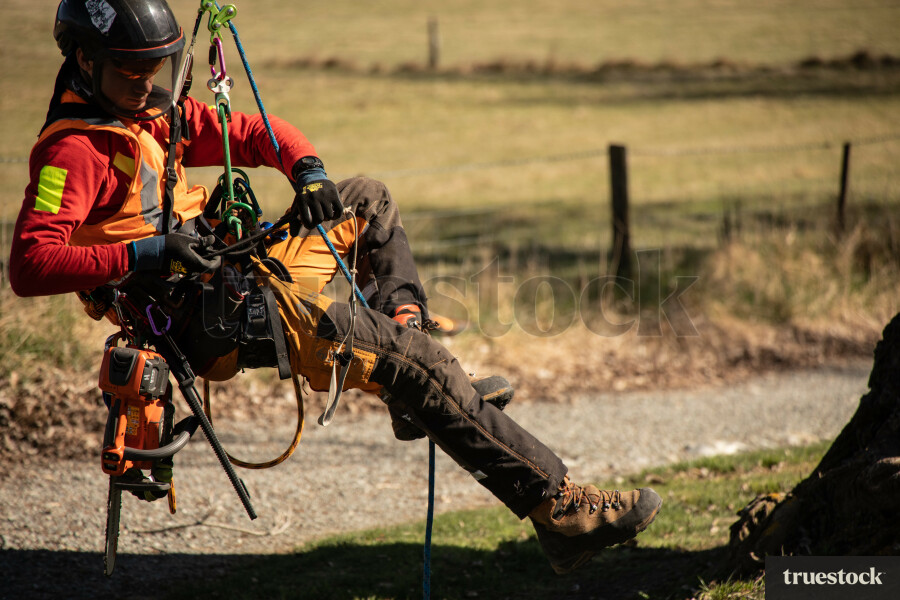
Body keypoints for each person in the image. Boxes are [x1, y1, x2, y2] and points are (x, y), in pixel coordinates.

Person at [9, 0, 662, 575]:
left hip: (246, 267)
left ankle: (407, 357)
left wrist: (311, 175)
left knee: (367, 199)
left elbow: (254, 133)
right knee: (422, 366)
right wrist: (149, 250)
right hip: (211, 318)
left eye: (154, 67)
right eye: (130, 68)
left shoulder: (149, 111)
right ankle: (559, 508)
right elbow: (31, 264)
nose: (147, 81)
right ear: (85, 60)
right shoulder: (72, 153)